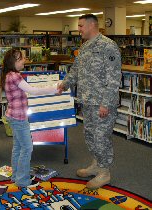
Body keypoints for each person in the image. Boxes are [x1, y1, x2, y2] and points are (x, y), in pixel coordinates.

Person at [58, 14, 121, 189]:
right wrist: (65, 84)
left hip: (102, 103)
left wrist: (106, 103)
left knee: (101, 138)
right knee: (90, 136)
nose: (78, 30)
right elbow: (76, 69)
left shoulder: (108, 46)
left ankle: (104, 172)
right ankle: (96, 164)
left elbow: (114, 78)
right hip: (87, 101)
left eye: (80, 26)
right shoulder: (85, 47)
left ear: (92, 25)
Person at [2, 49, 58, 188]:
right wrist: (55, 88)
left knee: (18, 147)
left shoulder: (9, 75)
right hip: (19, 118)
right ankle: (22, 180)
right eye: (22, 59)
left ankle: (16, 176)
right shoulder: (15, 76)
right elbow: (33, 91)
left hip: (13, 116)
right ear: (14, 61)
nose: (25, 60)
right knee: (27, 148)